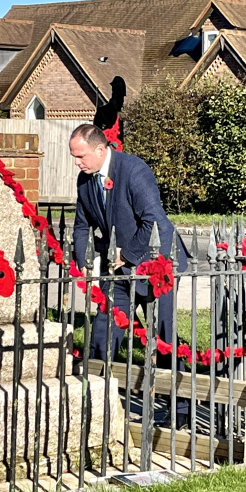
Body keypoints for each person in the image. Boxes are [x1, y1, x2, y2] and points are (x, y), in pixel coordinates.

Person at [69, 124, 190, 429]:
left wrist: (129, 255)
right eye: (73, 156)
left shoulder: (134, 170)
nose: (77, 162)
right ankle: (94, 402)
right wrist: (82, 259)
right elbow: (82, 225)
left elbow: (153, 220)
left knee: (162, 337)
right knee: (103, 331)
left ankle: (182, 410)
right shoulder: (85, 181)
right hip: (118, 272)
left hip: (156, 265)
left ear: (100, 149)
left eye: (80, 155)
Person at [93, 76, 126, 151]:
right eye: (120, 98)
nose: (122, 102)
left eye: (122, 98)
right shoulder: (103, 112)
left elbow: (120, 140)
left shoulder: (120, 117)